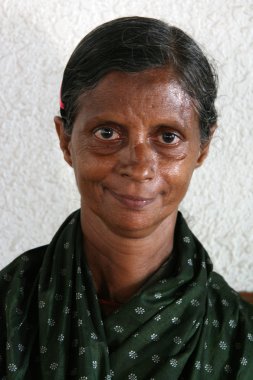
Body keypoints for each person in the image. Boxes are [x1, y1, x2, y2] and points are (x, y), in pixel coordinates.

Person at [0, 16, 252, 380]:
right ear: (65, 140)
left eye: (168, 137)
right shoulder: (11, 311)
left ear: (202, 148)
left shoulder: (240, 340)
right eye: (107, 133)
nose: (139, 165)